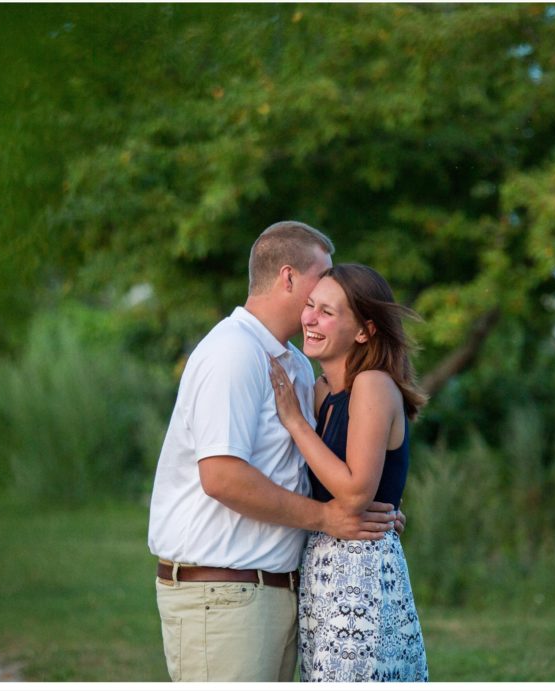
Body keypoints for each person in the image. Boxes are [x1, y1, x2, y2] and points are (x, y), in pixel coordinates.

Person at [147, 222, 402, 683]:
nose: (328, 285)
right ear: (287, 277)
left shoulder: (296, 367)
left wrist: (368, 514)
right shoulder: (233, 353)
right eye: (319, 279)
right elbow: (221, 477)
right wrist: (328, 519)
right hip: (223, 596)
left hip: (280, 595)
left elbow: (308, 472)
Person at [268, 263, 430, 682]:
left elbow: (357, 493)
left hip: (361, 577)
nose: (310, 319)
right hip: (323, 573)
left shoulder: (373, 384)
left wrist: (296, 423)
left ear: (364, 331)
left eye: (328, 312)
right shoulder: (324, 391)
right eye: (309, 306)